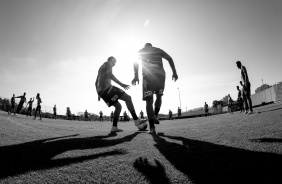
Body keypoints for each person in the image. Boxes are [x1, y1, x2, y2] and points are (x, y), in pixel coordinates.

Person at [132, 43, 178, 134]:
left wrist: (136, 76)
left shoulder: (142, 50)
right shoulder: (158, 49)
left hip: (148, 75)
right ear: (151, 46)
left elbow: (135, 61)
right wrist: (174, 72)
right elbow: (169, 58)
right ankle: (156, 115)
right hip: (160, 75)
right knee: (159, 96)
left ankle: (152, 128)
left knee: (149, 101)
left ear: (145, 46)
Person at [95, 56, 146, 132]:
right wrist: (122, 84)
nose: (115, 64)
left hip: (101, 91)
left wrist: (98, 94)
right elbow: (110, 75)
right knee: (128, 98)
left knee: (118, 107)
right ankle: (136, 120)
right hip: (107, 88)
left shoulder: (100, 68)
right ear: (112, 60)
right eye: (115, 62)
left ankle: (114, 127)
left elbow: (96, 82)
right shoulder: (108, 63)